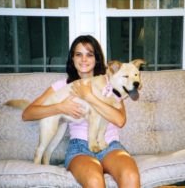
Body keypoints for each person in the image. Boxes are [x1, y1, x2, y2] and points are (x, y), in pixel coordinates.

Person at [22, 35, 140, 188]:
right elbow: (27, 114)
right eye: (79, 54)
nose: (84, 59)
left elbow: (120, 120)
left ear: (96, 58)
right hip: (80, 147)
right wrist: (60, 107)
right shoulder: (62, 85)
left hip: (110, 145)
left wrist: (89, 96)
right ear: (72, 58)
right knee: (93, 180)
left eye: (89, 54)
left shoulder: (113, 82)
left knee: (130, 175)